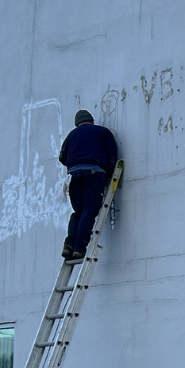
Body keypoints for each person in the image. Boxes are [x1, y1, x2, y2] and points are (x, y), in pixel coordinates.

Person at [58, 110, 118, 261]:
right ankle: (79, 248)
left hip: (74, 177)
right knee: (89, 211)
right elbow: (112, 155)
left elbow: (62, 157)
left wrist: (76, 164)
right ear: (91, 120)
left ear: (77, 123)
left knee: (78, 211)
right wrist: (108, 173)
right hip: (94, 173)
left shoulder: (71, 135)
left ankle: (69, 245)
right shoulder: (103, 132)